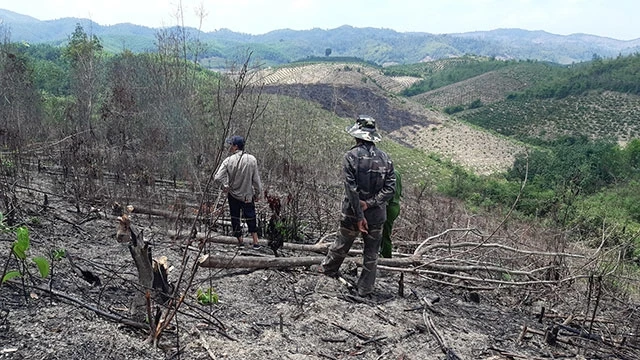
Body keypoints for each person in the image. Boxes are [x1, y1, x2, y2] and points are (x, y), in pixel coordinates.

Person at [320, 115, 396, 297]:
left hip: (352, 215)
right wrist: (370, 204)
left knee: (341, 244)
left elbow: (351, 190)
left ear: (357, 135)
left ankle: (329, 271)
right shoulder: (386, 159)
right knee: (371, 254)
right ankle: (365, 288)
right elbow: (390, 189)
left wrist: (361, 213)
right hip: (376, 216)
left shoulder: (351, 157)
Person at [214, 135, 263, 249]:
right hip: (247, 195)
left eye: (231, 144)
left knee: (235, 218)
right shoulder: (251, 160)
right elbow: (256, 180)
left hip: (233, 195)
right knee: (251, 217)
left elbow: (217, 177)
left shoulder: (228, 160)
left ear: (236, 146)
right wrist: (257, 194)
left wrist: (224, 187)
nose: (230, 147)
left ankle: (240, 241)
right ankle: (256, 242)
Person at [381, 170, 402, 258]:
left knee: (384, 233)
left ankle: (386, 256)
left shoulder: (387, 173)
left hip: (389, 206)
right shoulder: (397, 172)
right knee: (385, 231)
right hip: (396, 205)